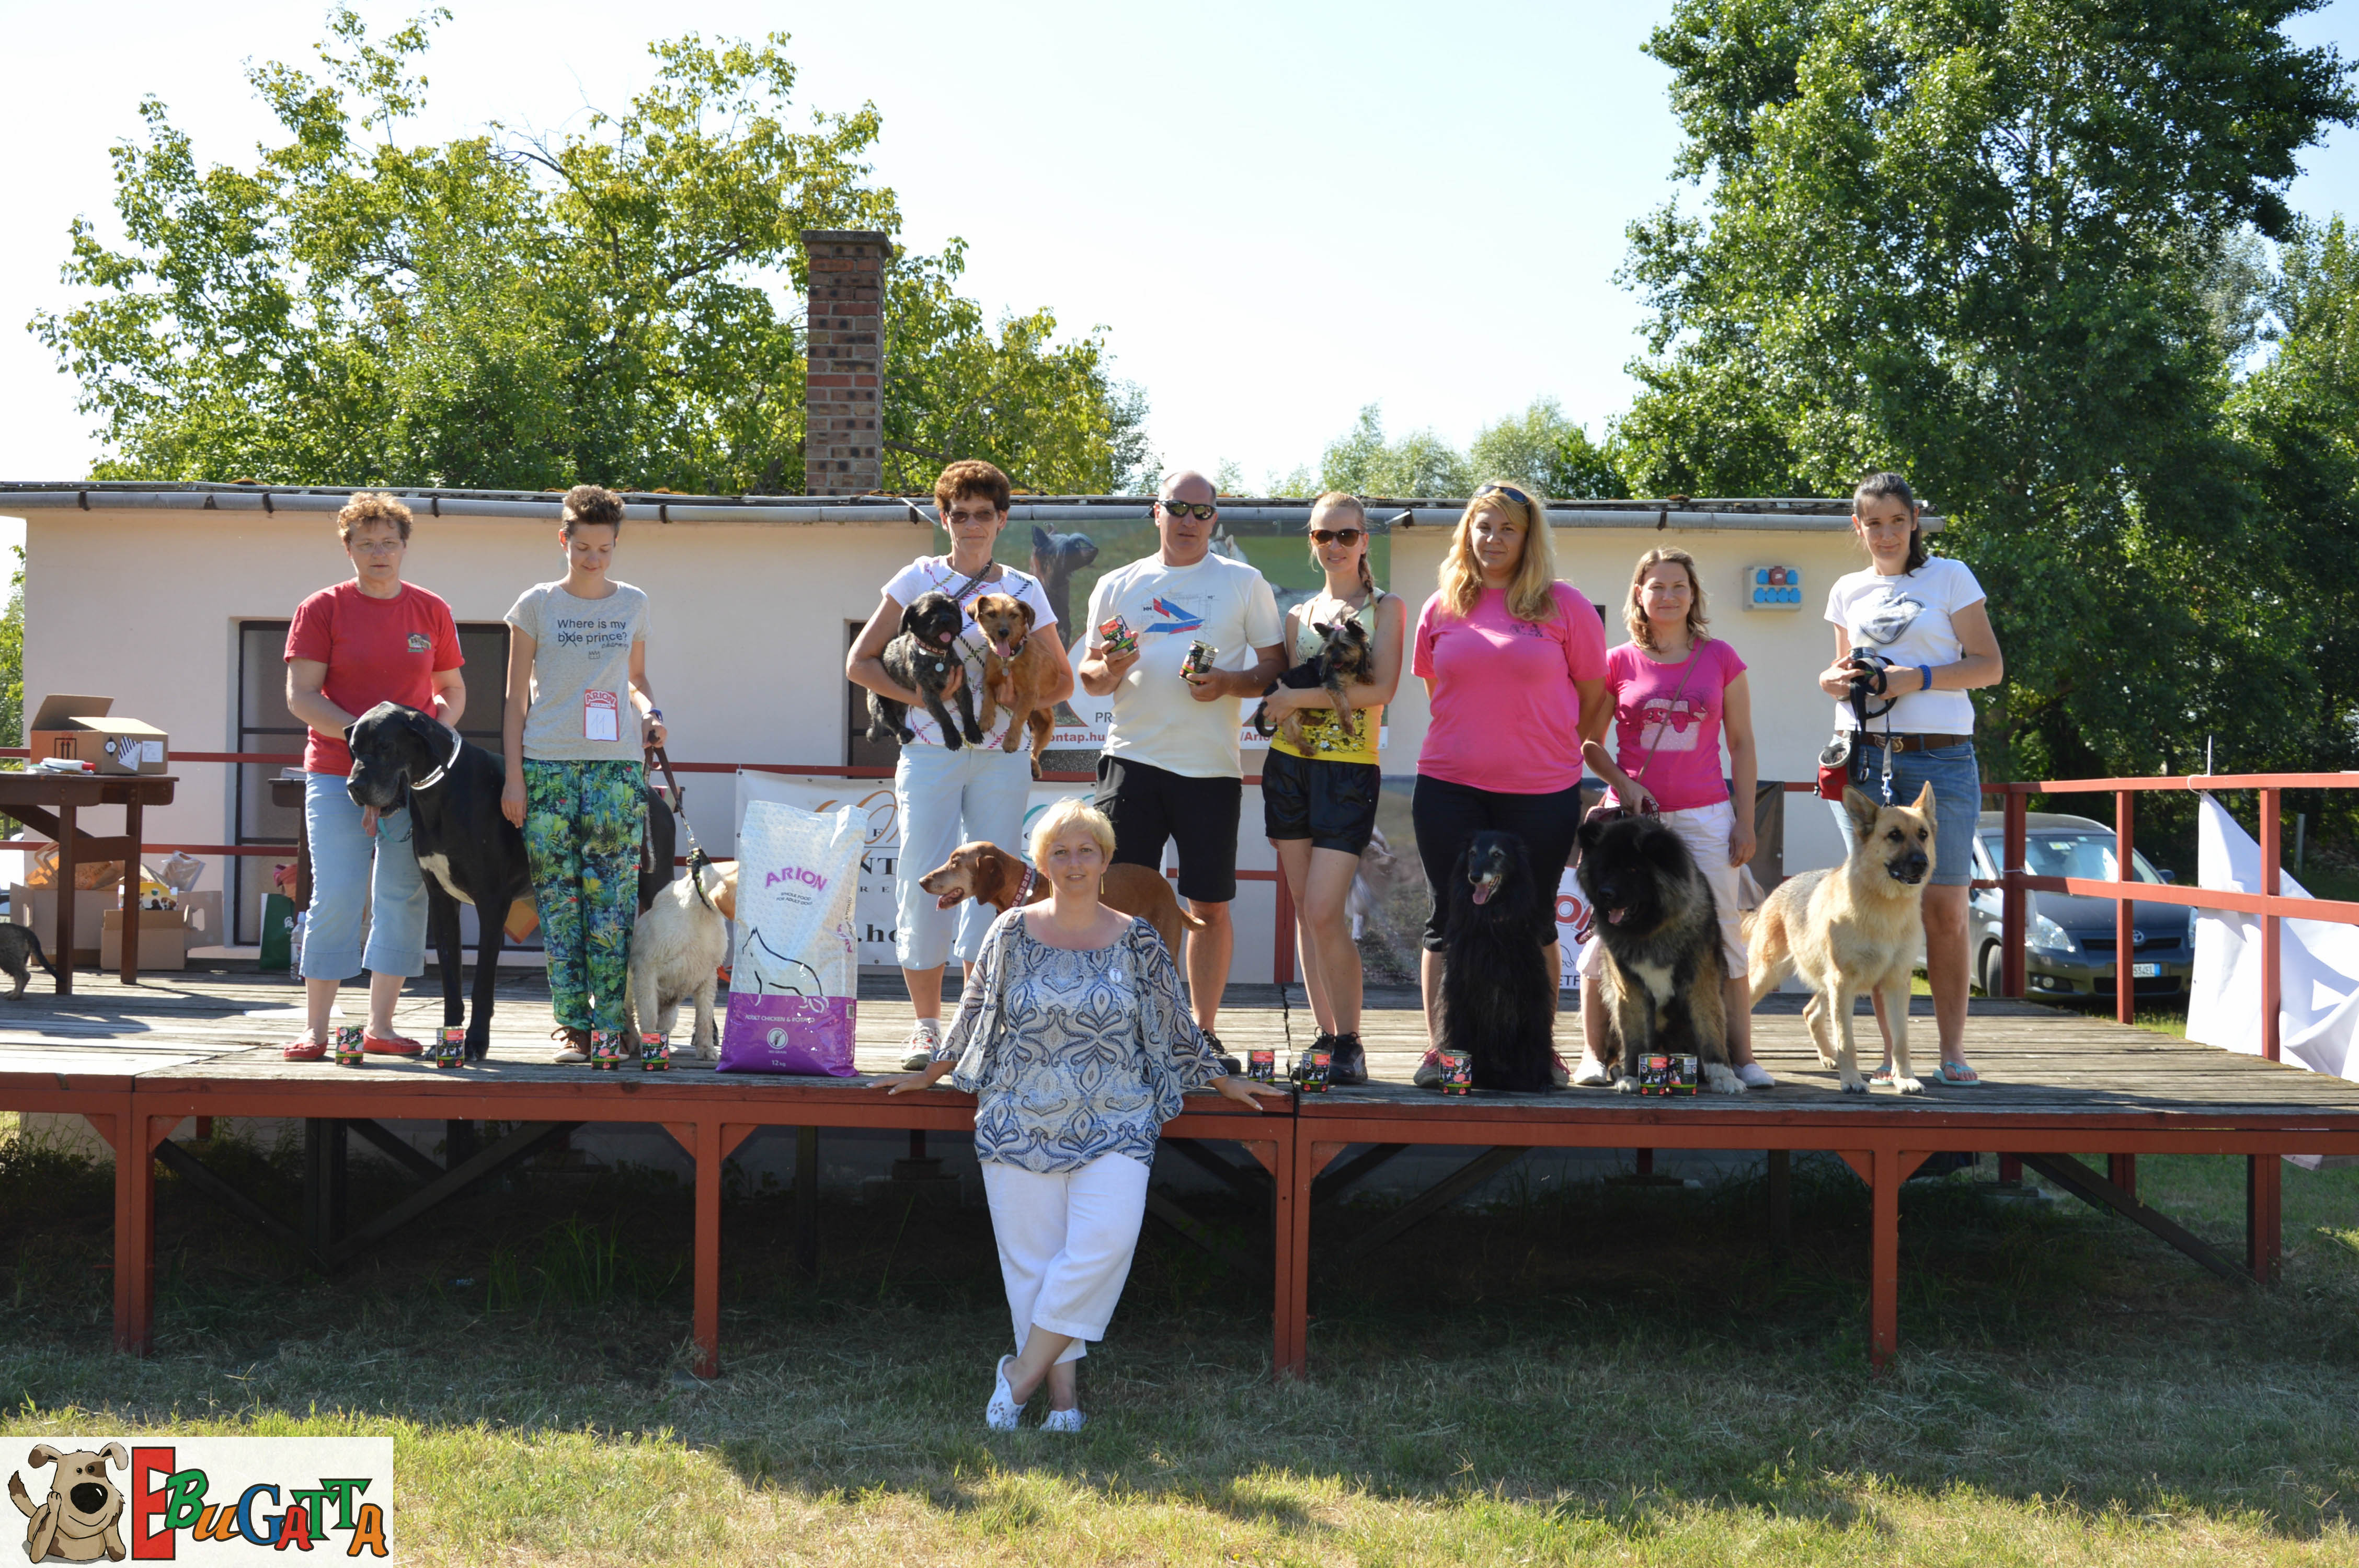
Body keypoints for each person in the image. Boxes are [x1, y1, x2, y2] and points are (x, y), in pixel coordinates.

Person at [885, 799, 1286, 1430]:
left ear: (1105, 859)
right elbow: (976, 1014)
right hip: (1019, 1114)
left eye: (1086, 850)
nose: (1074, 863)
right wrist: (931, 1071)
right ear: (1044, 863)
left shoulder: (1139, 938)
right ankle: (1063, 1401)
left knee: (1105, 1242)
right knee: (1033, 1264)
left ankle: (1019, 1376)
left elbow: (1173, 1022)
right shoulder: (1009, 933)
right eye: (1060, 852)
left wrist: (1218, 1077)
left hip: (1117, 1117)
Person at [848, 460, 1074, 1071]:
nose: (970, 524)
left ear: (1002, 520)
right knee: (923, 877)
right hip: (929, 753)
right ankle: (925, 1029)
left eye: (983, 513)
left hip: (1000, 760)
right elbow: (860, 664)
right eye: (959, 513)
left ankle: (980, 1023)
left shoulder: (1026, 589)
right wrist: (931, 697)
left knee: (996, 885)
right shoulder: (917, 577)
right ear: (944, 518)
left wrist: (1021, 699)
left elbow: (1063, 681)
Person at [1077, 470, 1285, 1068]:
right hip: (1130, 761)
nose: (1190, 522)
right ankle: (1116, 1024)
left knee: (1209, 906)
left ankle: (1203, 1032)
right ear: (1156, 512)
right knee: (1113, 903)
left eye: (1202, 512)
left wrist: (1228, 684)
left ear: (1215, 519)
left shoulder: (1244, 582)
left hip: (1210, 771)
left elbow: (1273, 666)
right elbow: (1090, 677)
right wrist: (1111, 669)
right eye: (1178, 508)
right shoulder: (1120, 583)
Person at [1408, 482, 1609, 1086]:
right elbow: (1437, 693)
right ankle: (1445, 1054)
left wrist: (1558, 756)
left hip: (1541, 792)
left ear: (1529, 538)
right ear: (1467, 531)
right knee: (1448, 918)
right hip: (1448, 787)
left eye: (1508, 530)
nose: (1493, 539)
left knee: (1535, 920)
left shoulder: (1565, 605)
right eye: (1483, 527)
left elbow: (1596, 699)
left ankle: (1537, 1050)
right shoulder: (1439, 606)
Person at [1817, 471, 2005, 1084]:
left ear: (1914, 521)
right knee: (1875, 911)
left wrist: (1915, 678)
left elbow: (1989, 668)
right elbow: (1847, 666)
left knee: (1946, 910)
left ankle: (1952, 1053)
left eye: (1897, 520)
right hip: (1869, 758)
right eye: (1873, 523)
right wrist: (1832, 682)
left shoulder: (1950, 576)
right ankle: (1892, 1055)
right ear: (1858, 527)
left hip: (1942, 760)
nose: (1886, 533)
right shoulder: (1847, 589)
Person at [1575, 547, 1773, 1088]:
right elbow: (1588, 742)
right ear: (1639, 594)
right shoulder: (1616, 662)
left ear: (1694, 595)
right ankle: (1595, 1054)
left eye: (1679, 586)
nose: (1668, 595)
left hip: (1707, 816)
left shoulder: (1721, 657)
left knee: (1725, 935)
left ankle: (1739, 1057)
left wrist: (1745, 820)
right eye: (1656, 586)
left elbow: (1742, 743)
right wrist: (1622, 783)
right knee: (1605, 938)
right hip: (1635, 822)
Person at [280, 493, 466, 1059]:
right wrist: (367, 740)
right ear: (348, 547)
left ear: (405, 546)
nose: (379, 553)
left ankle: (381, 1027)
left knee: (403, 894)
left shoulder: (430, 609)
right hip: (337, 774)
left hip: (412, 784)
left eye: (389, 543)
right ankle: (316, 1030)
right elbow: (301, 696)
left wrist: (425, 740)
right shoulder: (323, 608)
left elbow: (452, 691)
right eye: (367, 544)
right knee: (336, 894)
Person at [500, 484, 663, 1064]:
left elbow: (637, 682)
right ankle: (573, 1026)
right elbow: (514, 698)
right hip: (546, 767)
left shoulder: (634, 602)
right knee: (559, 901)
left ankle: (611, 1027)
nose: (594, 559)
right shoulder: (536, 604)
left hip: (615, 769)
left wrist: (652, 715)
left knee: (613, 901)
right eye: (583, 547)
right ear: (563, 539)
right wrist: (513, 778)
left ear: (616, 545)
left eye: (605, 549)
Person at [1256, 493, 1404, 1086]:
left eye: (1347, 535)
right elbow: (1287, 690)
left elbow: (1380, 691)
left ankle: (1351, 1039)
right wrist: (1285, 705)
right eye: (1324, 536)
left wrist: (1295, 699)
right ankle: (1326, 1036)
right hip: (1290, 765)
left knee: (1325, 910)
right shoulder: (1298, 616)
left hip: (1349, 771)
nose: (1336, 546)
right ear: (1311, 542)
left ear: (1365, 541)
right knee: (1305, 909)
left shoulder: (1387, 608)